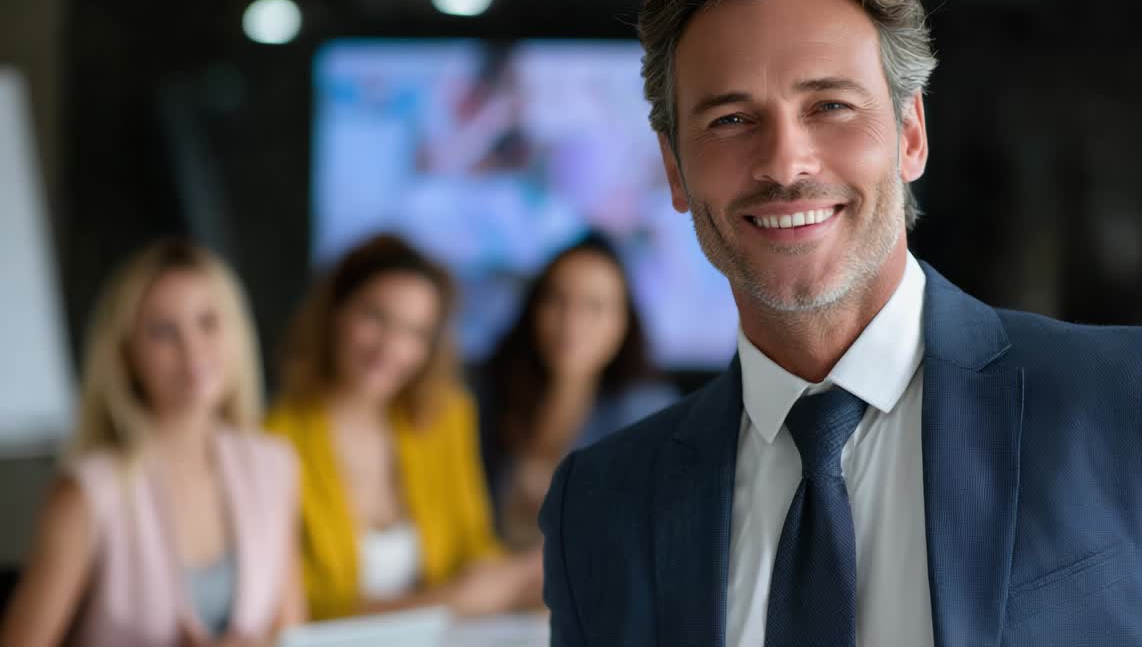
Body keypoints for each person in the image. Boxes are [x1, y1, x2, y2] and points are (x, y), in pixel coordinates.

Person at [538, 0, 1142, 646]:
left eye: (830, 105)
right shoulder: (600, 507)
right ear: (674, 169)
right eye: (731, 119)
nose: (786, 162)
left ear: (911, 134)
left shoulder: (1128, 404)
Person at [0, 239, 304, 647]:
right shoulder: (88, 493)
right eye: (163, 332)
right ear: (126, 354)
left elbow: (291, 631)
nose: (192, 349)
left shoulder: (273, 465)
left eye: (208, 322)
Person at [265, 233, 540, 621]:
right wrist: (449, 601)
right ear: (334, 313)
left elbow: (473, 549)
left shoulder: (446, 418)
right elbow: (299, 611)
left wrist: (522, 583)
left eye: (415, 332)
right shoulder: (273, 440)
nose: (390, 348)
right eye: (375, 317)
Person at [479, 234, 679, 548]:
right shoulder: (491, 396)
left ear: (623, 321)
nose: (571, 322)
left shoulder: (649, 414)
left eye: (594, 307)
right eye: (556, 300)